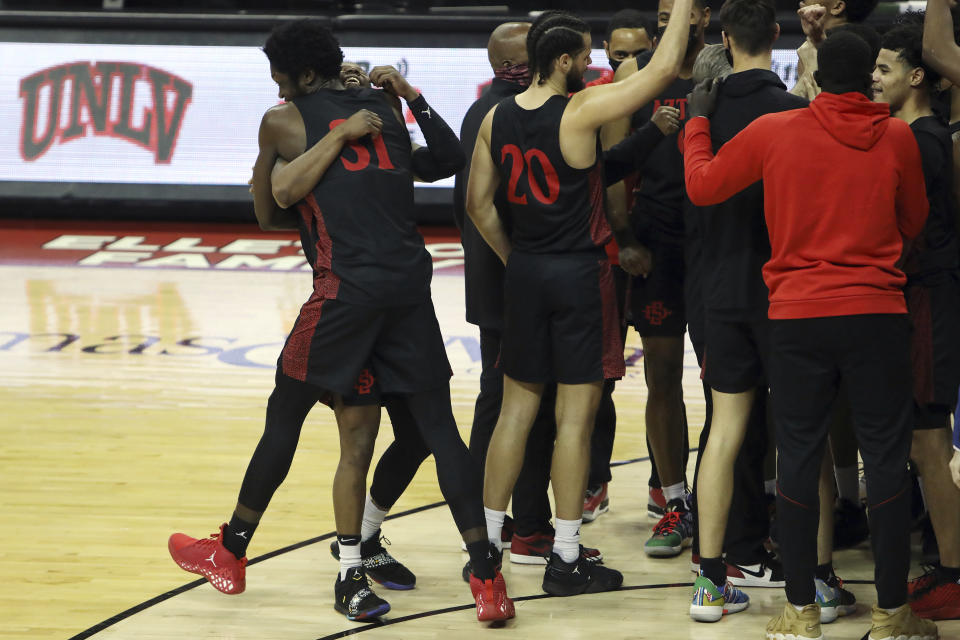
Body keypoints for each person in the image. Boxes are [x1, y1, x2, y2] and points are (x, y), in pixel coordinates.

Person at [167, 20, 516, 624]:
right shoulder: (381, 102)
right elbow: (448, 161)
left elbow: (272, 212)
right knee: (435, 432)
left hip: (344, 293)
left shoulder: (285, 118)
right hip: (408, 287)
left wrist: (279, 158)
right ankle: (486, 578)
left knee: (291, 417)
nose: (275, 85)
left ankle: (235, 550)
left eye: (279, 74)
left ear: (300, 74)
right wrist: (411, 99)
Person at [684, 31, 936, 640]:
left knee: (796, 454)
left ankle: (798, 612)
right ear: (869, 80)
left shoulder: (777, 129)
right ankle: (893, 612)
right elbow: (915, 220)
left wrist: (696, 125)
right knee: (885, 460)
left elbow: (704, 185)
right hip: (876, 313)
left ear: (818, 78)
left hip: (797, 316)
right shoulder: (898, 135)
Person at [467, 4, 694, 595]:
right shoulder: (581, 109)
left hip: (527, 275)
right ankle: (565, 556)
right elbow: (665, 66)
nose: (594, 65)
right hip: (578, 276)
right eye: (588, 56)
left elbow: (478, 205)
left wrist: (515, 258)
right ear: (563, 60)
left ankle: (486, 551)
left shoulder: (496, 117)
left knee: (514, 412)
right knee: (574, 419)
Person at [685, 0, 806, 624]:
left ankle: (709, 583)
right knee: (797, 433)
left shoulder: (699, 114)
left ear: (725, 38)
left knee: (723, 431)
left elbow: (692, 198)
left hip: (720, 290)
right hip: (785, 291)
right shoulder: (796, 113)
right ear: (777, 36)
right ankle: (815, 581)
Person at [605, 0, 710, 559]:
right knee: (662, 375)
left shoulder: (724, 66)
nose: (675, 16)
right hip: (658, 244)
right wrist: (624, 238)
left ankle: (733, 497)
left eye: (685, 9)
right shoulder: (635, 72)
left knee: (728, 382)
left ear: (705, 15)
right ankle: (673, 500)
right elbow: (612, 163)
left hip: (718, 244)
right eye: (666, 9)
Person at [873, 22, 960, 621]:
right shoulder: (905, 134)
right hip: (912, 301)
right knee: (916, 443)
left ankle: (954, 573)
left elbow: (915, 234)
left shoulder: (926, 140)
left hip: (928, 300)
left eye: (884, 70)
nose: (875, 79)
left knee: (930, 445)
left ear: (916, 76)